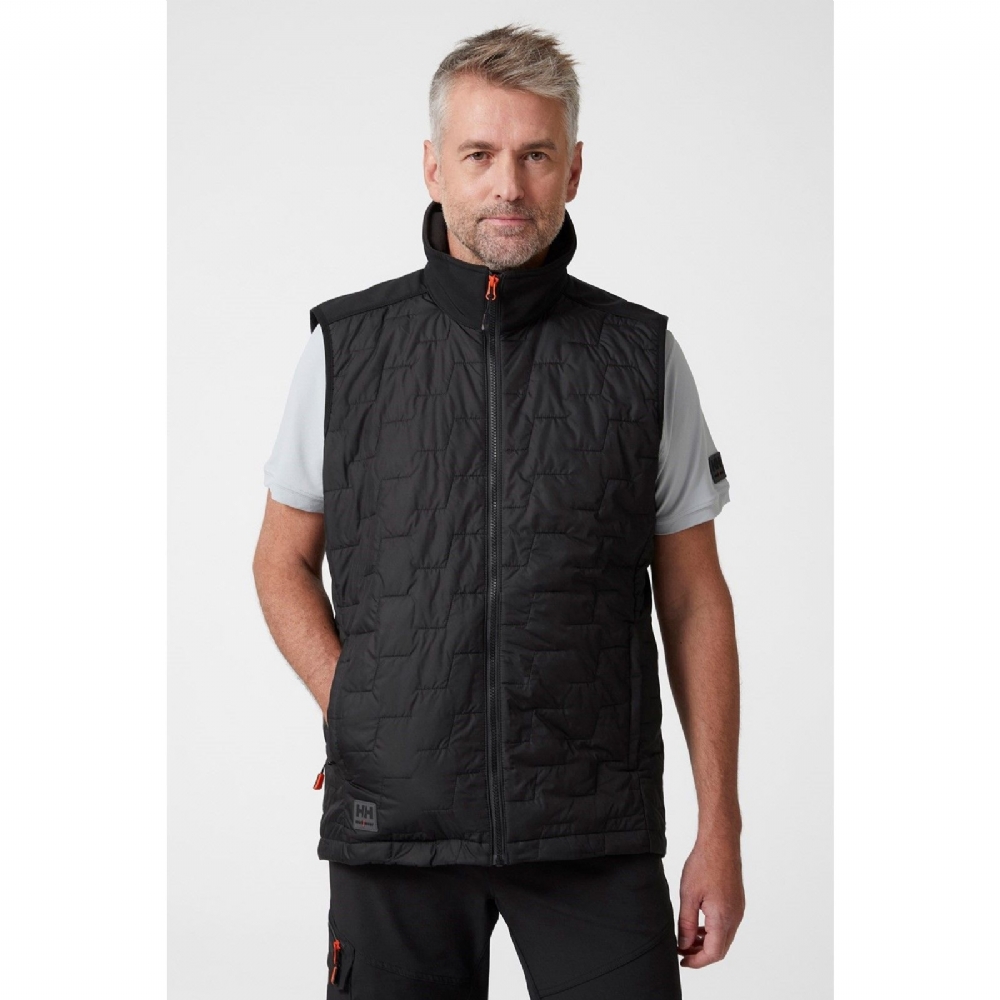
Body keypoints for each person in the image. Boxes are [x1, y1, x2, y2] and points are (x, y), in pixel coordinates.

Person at [252, 23, 744, 999]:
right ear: (434, 166)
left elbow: (695, 599)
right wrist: (357, 708)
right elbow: (279, 560)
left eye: (535, 156)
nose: (508, 186)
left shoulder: (641, 358)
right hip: (395, 831)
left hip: (593, 829)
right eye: (479, 154)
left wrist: (719, 827)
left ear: (574, 170)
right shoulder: (344, 351)